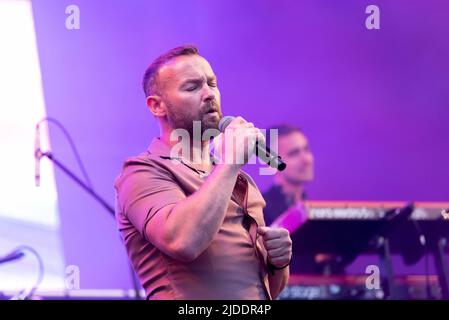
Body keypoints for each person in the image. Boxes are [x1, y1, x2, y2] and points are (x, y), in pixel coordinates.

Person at [114, 45, 292, 300]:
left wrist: (278, 263)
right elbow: (183, 242)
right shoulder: (141, 172)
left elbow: (264, 290)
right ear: (156, 106)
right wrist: (230, 162)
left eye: (212, 83)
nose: (209, 94)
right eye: (192, 87)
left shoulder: (239, 179)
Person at [263, 125, 343, 275]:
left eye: (306, 150)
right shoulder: (260, 209)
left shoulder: (312, 208)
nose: (306, 159)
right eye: (294, 153)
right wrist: (314, 260)